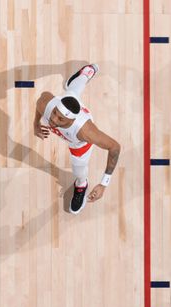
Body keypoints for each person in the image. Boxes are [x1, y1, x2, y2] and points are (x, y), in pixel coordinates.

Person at [33, 63, 121, 214]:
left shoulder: (86, 132)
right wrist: (36, 124)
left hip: (77, 142)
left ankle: (81, 185)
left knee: (78, 168)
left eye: (60, 119)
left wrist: (103, 184)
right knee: (72, 91)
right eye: (54, 113)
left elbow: (115, 147)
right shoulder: (48, 105)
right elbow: (40, 102)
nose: (53, 120)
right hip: (69, 103)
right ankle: (87, 72)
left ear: (71, 120)